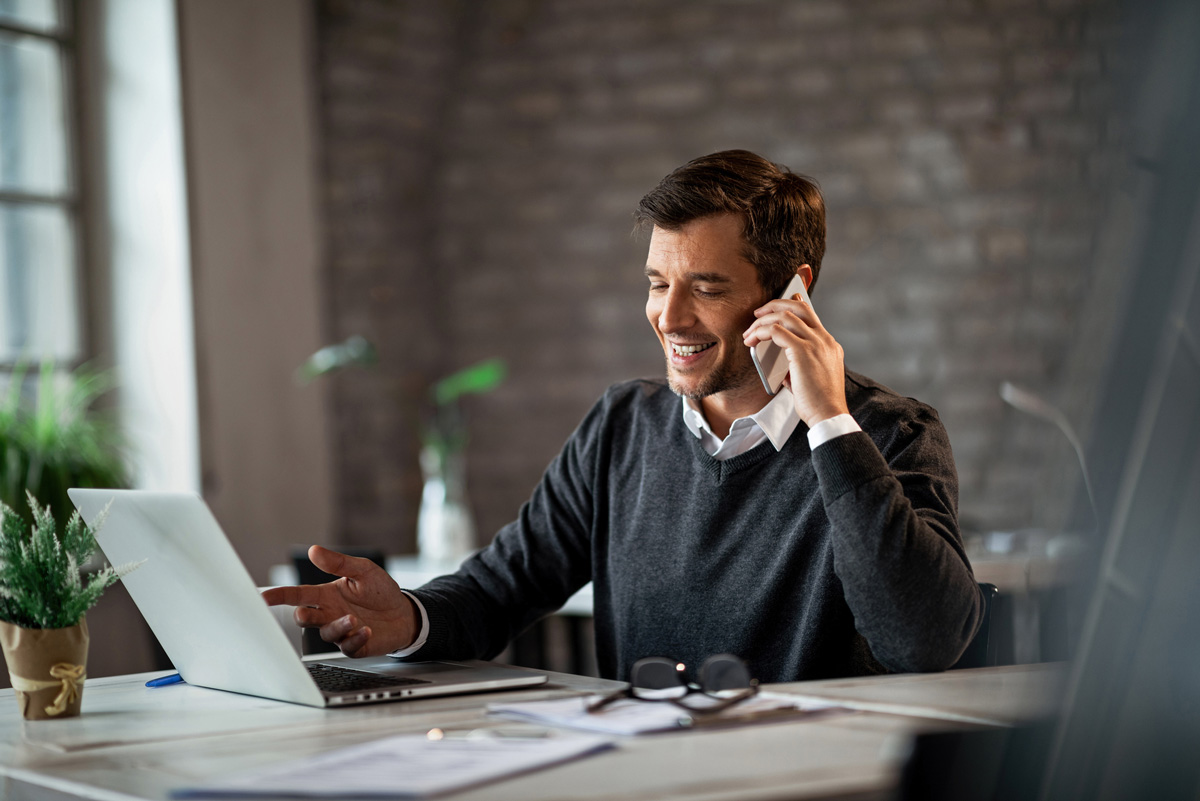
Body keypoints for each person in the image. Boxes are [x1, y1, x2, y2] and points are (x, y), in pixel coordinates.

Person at [263, 150, 983, 683]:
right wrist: (409, 618)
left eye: (704, 286)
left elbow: (922, 641)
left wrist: (829, 421)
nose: (668, 316)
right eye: (657, 282)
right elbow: (497, 589)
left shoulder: (889, 434)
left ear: (794, 291)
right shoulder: (620, 428)